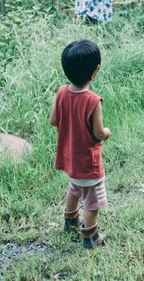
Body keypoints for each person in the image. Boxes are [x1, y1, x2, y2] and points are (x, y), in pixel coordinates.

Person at [49, 39, 111, 249]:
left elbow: (53, 121)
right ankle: (90, 236)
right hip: (88, 163)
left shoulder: (61, 92)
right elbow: (98, 132)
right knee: (92, 200)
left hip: (69, 158)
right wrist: (107, 133)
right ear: (96, 71)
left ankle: (69, 220)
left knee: (74, 187)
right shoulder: (93, 100)